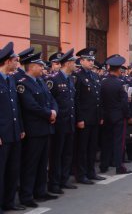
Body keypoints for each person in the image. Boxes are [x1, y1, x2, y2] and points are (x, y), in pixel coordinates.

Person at [17, 52, 59, 208]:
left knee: (43, 163)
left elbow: (51, 99)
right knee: (31, 163)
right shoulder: (23, 83)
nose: (43, 68)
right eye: (40, 65)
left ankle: (40, 191)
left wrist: (54, 111)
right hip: (34, 130)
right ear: (32, 66)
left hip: (46, 128)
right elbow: (30, 105)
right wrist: (49, 114)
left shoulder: (40, 81)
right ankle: (26, 195)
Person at [46, 49, 78, 194]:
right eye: (74, 63)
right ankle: (54, 183)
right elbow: (49, 101)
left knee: (67, 153)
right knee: (56, 155)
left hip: (70, 121)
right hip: (59, 124)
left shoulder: (70, 79)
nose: (76, 65)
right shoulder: (53, 79)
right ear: (68, 63)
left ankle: (64, 180)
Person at [0, 42, 26, 212]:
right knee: (1, 172)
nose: (18, 63)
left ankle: (9, 202)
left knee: (12, 169)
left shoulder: (10, 79)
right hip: (2, 134)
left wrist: (21, 128)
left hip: (15, 132)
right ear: (8, 61)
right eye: (16, 60)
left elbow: (16, 106)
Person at [73, 47, 105, 184]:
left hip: (94, 117)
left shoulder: (94, 76)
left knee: (92, 147)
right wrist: (79, 118)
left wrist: (100, 116)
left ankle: (91, 172)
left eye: (93, 60)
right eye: (88, 60)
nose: (92, 63)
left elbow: (99, 98)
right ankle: (81, 174)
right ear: (81, 61)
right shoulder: (77, 76)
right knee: (82, 148)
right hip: (84, 119)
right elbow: (76, 100)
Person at [100, 54, 132, 175]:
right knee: (119, 142)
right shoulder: (120, 84)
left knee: (106, 141)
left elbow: (100, 101)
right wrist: (128, 116)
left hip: (106, 116)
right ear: (118, 69)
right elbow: (124, 103)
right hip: (118, 117)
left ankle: (104, 165)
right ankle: (119, 166)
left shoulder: (103, 82)